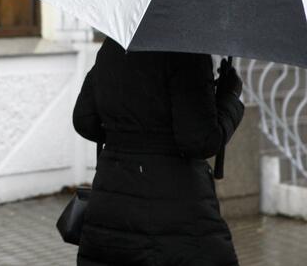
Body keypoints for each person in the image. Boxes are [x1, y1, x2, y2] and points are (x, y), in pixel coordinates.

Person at [73, 38, 244, 265]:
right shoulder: (186, 52)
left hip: (111, 202)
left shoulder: (112, 47)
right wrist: (229, 98)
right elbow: (199, 140)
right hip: (176, 212)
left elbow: (84, 120)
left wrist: (125, 136)